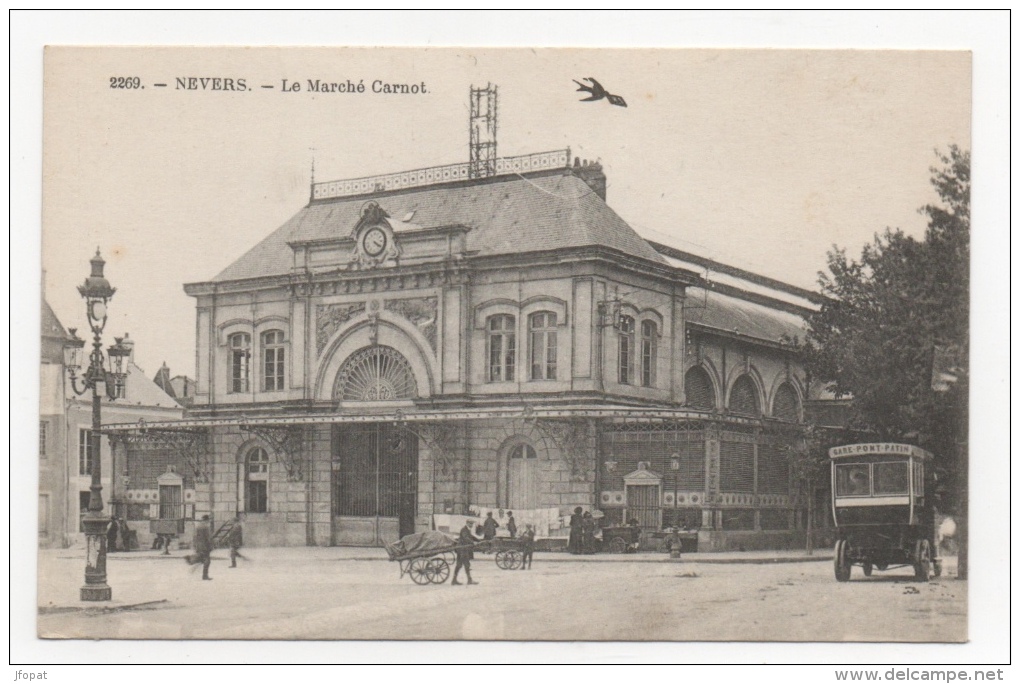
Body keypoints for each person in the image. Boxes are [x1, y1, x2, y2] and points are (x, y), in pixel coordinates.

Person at [452, 520, 481, 586]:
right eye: (470, 523)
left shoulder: (467, 529)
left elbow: (471, 537)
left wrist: (478, 540)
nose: (471, 525)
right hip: (462, 549)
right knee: (466, 565)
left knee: (459, 565)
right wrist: (473, 542)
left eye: (472, 524)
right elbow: (466, 538)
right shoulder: (464, 530)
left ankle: (454, 580)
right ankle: (469, 580)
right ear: (467, 523)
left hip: (462, 549)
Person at [193, 514, 213, 580]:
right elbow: (208, 537)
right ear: (207, 520)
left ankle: (193, 562)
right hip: (205, 545)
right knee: (207, 560)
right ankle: (205, 576)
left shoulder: (198, 526)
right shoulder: (206, 527)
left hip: (199, 545)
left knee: (202, 558)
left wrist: (195, 545)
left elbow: (195, 537)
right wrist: (211, 546)